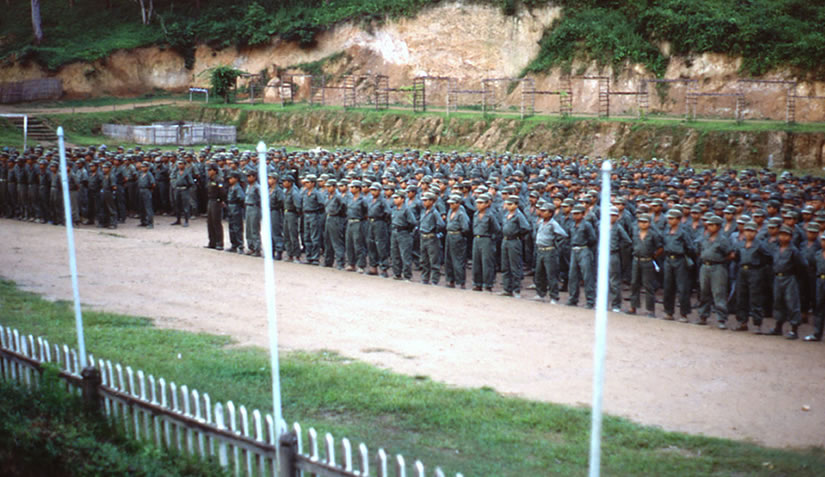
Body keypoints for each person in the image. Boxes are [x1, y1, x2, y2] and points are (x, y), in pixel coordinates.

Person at [732, 221, 773, 332]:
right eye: (747, 230)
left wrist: (759, 267)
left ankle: (757, 324)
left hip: (755, 271)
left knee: (755, 298)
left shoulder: (760, 245)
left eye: (751, 231)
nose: (749, 233)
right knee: (741, 297)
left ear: (756, 232)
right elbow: (736, 257)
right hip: (742, 271)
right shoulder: (740, 243)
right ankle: (742, 322)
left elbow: (768, 258)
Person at [768, 225, 806, 339]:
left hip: (789, 277)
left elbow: (802, 265)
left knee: (792, 302)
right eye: (781, 235)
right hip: (777, 277)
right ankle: (778, 326)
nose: (783, 237)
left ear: (790, 237)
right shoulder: (776, 248)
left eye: (786, 235)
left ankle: (794, 329)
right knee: (778, 302)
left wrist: (795, 276)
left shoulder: (794, 250)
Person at [697, 215, 732, 328]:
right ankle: (703, 315)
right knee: (704, 292)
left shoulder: (723, 240)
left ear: (718, 226)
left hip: (718, 267)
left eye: (712, 225)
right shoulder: (705, 238)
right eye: (709, 224)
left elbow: (731, 254)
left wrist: (720, 260)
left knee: (718, 293)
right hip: (705, 266)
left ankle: (721, 319)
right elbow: (700, 250)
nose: (709, 227)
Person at [662, 209, 695, 321]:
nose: (669, 220)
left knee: (682, 288)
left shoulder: (683, 232)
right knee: (667, 287)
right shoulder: (666, 230)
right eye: (669, 218)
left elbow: (690, 247)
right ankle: (668, 312)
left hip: (680, 259)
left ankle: (684, 313)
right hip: (668, 259)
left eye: (671, 218)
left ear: (678, 219)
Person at [533, 202, 567, 303]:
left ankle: (554, 296)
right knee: (539, 273)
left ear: (551, 213)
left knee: (551, 275)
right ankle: (540, 294)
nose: (542, 213)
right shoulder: (540, 222)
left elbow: (563, 235)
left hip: (549, 251)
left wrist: (555, 245)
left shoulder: (553, 224)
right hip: (540, 250)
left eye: (544, 211)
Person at [629, 213, 662, 317]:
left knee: (648, 285)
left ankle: (650, 310)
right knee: (634, 283)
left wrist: (653, 256)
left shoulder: (653, 234)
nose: (642, 224)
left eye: (645, 222)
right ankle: (633, 306)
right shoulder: (635, 233)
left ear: (649, 223)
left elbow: (660, 248)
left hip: (647, 261)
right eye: (640, 222)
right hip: (636, 260)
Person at [499, 196, 530, 297]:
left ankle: (516, 289)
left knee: (514, 266)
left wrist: (517, 234)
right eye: (507, 204)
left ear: (516, 205)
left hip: (514, 241)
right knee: (505, 265)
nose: (508, 206)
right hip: (505, 240)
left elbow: (526, 228)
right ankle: (507, 289)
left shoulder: (519, 215)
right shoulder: (506, 214)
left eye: (510, 204)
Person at [566, 205, 597, 308]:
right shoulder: (571, 225)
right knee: (572, 276)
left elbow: (592, 239)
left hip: (584, 249)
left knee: (587, 276)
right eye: (574, 214)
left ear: (583, 214)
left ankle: (590, 301)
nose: (575, 216)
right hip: (574, 250)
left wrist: (587, 248)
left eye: (577, 214)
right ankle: (573, 298)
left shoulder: (587, 225)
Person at [471, 193, 500, 292]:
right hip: (476, 238)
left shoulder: (490, 215)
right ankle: (477, 283)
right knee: (476, 262)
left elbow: (496, 229)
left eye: (481, 203)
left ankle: (488, 284)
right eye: (477, 203)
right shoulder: (475, 214)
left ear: (487, 204)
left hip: (486, 239)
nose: (478, 205)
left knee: (487, 262)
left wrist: (491, 238)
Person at [419, 191, 445, 285]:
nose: (424, 202)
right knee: (424, 260)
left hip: (431, 238)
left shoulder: (435, 212)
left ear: (431, 201)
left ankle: (434, 280)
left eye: (426, 200)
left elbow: (441, 224)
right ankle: (425, 278)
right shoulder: (423, 211)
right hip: (423, 237)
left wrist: (434, 231)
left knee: (434, 260)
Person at [444, 194, 470, 289]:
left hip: (457, 236)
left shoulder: (461, 214)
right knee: (448, 259)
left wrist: (460, 235)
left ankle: (461, 281)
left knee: (458, 259)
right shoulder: (450, 211)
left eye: (453, 203)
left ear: (458, 204)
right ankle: (450, 280)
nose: (451, 205)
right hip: (449, 235)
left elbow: (465, 228)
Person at [608, 206, 631, 312]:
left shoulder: (618, 227)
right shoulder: (601, 225)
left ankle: (616, 304)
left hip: (613, 254)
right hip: (603, 254)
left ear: (617, 217)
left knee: (614, 281)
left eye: (613, 215)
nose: (611, 217)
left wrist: (617, 247)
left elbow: (627, 241)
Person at [390, 191, 417, 281]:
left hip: (404, 233)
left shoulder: (406, 210)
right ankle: (397, 273)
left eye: (397, 198)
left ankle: (407, 275)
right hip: (395, 232)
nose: (395, 200)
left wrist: (407, 230)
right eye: (394, 198)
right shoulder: (394, 209)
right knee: (395, 254)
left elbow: (412, 222)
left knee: (405, 255)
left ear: (402, 199)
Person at [366, 182, 391, 276]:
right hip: (371, 222)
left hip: (379, 222)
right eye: (371, 190)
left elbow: (388, 212)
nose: (373, 192)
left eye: (375, 190)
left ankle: (384, 269)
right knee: (371, 243)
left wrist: (383, 220)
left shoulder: (382, 201)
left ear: (379, 191)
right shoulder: (370, 199)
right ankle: (373, 267)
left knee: (381, 245)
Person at [804, 233, 825, 341]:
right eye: (823, 240)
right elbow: (812, 268)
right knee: (819, 307)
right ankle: (817, 333)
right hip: (819, 280)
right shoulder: (817, 254)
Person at [323, 179, 347, 269]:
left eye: (329, 186)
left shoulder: (338, 197)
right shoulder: (328, 196)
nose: (327, 188)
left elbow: (343, 207)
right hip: (328, 217)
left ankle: (340, 262)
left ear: (334, 187)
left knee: (336, 241)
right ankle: (328, 261)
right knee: (327, 241)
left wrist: (338, 213)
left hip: (336, 218)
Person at [345, 180, 367, 272]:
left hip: (358, 222)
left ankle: (361, 265)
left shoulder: (362, 200)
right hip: (350, 222)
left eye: (353, 187)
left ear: (358, 189)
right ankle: (351, 263)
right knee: (349, 244)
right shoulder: (350, 199)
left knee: (358, 244)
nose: (351, 189)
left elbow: (366, 211)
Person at [302, 174, 324, 264]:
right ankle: (309, 256)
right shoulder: (305, 192)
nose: (306, 184)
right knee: (307, 236)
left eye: (308, 182)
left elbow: (322, 204)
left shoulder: (317, 193)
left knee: (314, 237)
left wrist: (316, 212)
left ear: (313, 183)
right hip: (306, 215)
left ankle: (315, 257)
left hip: (314, 215)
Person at [282, 174, 302, 262]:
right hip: (286, 213)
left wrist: (296, 215)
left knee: (293, 235)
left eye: (285, 182)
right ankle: (289, 254)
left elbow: (298, 206)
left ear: (290, 183)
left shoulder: (294, 192)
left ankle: (296, 255)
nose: (283, 183)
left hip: (292, 214)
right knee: (286, 235)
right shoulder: (286, 191)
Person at [205, 164, 225, 249]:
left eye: (210, 170)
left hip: (216, 201)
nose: (208, 172)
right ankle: (212, 242)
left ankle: (219, 243)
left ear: (215, 171)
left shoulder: (219, 180)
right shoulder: (209, 179)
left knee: (216, 222)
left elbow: (222, 192)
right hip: (210, 201)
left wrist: (221, 201)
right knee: (210, 222)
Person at [225, 171, 245, 254]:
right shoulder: (231, 187)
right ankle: (233, 245)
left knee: (237, 228)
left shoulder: (237, 188)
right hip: (230, 207)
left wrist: (237, 205)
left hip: (236, 207)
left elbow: (241, 198)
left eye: (231, 178)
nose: (230, 180)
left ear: (236, 179)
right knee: (231, 227)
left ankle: (240, 246)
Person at [244, 170, 262, 257]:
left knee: (254, 228)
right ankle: (251, 247)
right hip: (248, 207)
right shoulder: (248, 186)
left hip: (255, 207)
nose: (248, 178)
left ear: (254, 177)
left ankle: (257, 248)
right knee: (248, 229)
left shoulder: (257, 187)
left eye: (250, 176)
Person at [171, 160, 193, 227]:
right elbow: (172, 178)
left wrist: (186, 187)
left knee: (185, 206)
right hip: (177, 189)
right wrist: (174, 185)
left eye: (181, 164)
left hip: (184, 190)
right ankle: (178, 220)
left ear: (184, 165)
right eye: (179, 164)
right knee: (177, 205)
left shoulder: (187, 173)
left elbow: (191, 182)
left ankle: (186, 221)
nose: (180, 165)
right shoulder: (176, 172)